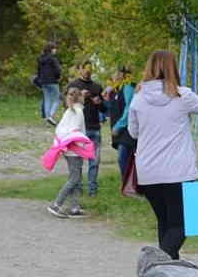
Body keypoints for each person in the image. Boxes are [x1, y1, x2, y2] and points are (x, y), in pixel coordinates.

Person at [128, 50, 198, 260]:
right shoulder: (181, 96)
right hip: (177, 171)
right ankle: (158, 264)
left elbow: (133, 132)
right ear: (173, 68)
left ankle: (166, 273)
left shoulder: (138, 99)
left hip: (148, 172)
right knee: (182, 223)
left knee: (165, 222)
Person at [47, 87, 90, 219]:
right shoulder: (78, 112)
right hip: (74, 150)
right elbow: (75, 130)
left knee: (77, 179)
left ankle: (74, 207)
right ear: (81, 98)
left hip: (68, 149)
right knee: (74, 178)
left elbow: (60, 129)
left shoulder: (69, 111)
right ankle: (57, 204)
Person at [67, 61, 105, 197]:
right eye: (85, 69)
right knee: (77, 162)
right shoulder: (73, 85)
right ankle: (78, 189)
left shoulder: (97, 87)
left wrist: (99, 103)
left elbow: (104, 109)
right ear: (80, 69)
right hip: (78, 129)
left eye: (90, 69)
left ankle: (92, 190)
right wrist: (79, 96)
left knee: (94, 161)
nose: (88, 71)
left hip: (94, 127)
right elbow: (66, 106)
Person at [103, 66, 136, 179]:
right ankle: (128, 185)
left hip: (127, 129)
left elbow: (129, 108)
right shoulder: (115, 89)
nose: (113, 76)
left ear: (122, 74)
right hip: (119, 130)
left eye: (115, 72)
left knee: (123, 158)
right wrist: (106, 97)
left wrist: (118, 125)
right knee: (125, 158)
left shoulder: (128, 87)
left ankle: (128, 185)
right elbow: (110, 109)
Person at [37, 43, 62, 125]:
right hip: (53, 81)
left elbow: (39, 70)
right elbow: (58, 70)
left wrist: (39, 80)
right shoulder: (53, 59)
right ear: (51, 49)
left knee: (47, 100)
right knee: (57, 99)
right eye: (55, 48)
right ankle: (51, 116)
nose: (56, 50)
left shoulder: (40, 58)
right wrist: (58, 77)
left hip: (43, 81)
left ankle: (47, 119)